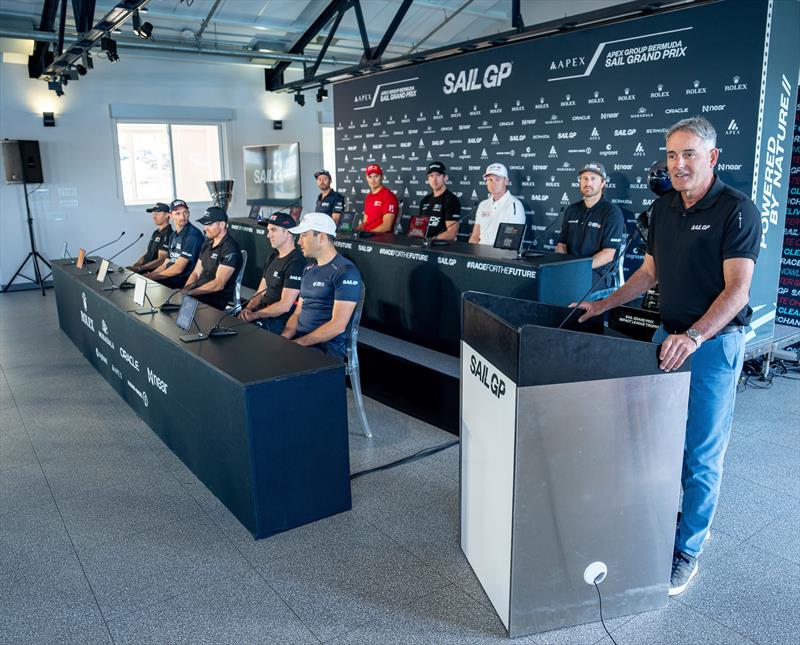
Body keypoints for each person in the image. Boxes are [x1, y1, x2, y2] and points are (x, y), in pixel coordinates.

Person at [574, 116, 760, 596]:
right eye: (672, 155)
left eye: (690, 154)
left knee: (700, 454)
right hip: (667, 337)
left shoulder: (737, 210)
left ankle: (690, 548)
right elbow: (647, 275)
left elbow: (738, 292)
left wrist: (695, 336)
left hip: (713, 345)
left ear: (713, 157)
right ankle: (657, 522)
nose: (678, 164)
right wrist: (603, 303)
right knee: (654, 441)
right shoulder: (663, 210)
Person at [281, 213, 362, 359]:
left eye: (304, 235)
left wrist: (298, 343)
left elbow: (337, 325)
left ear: (321, 237)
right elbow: (298, 313)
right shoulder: (308, 268)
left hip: (327, 348)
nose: (299, 241)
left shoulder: (346, 271)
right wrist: (284, 338)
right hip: (301, 341)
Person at [555, 162, 626, 300]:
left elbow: (608, 253)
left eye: (593, 179)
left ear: (603, 183)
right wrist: (563, 266)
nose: (588, 183)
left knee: (573, 293)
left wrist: (579, 269)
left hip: (597, 274)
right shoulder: (571, 210)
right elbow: (561, 244)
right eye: (584, 178)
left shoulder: (612, 212)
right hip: (570, 270)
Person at [238, 212, 306, 333]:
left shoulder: (296, 262)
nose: (268, 235)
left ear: (288, 232)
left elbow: (285, 305)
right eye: (268, 230)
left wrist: (255, 315)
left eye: (273, 230)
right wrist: (247, 309)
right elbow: (260, 292)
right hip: (261, 313)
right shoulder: (272, 257)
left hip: (278, 320)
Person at [181, 206, 243, 310]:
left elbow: (218, 284)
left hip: (214, 299)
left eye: (209, 224)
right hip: (198, 293)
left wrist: (191, 293)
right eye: (205, 225)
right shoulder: (207, 242)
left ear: (222, 224)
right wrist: (184, 290)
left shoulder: (230, 248)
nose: (205, 228)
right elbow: (196, 272)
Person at [144, 199, 204, 289]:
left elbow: (178, 268)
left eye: (185, 213)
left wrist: (153, 277)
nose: (183, 217)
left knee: (148, 286)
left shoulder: (193, 235)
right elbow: (166, 263)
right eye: (178, 213)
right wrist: (151, 274)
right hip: (170, 277)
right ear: (171, 215)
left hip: (182, 280)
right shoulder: (173, 235)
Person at [468, 163, 525, 245]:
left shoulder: (515, 205)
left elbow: (511, 241)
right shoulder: (483, 204)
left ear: (506, 181)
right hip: (479, 253)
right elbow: (475, 236)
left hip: (500, 256)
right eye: (490, 180)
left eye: (497, 179)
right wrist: (473, 254)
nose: (493, 183)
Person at [419, 161, 461, 241]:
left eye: (437, 175)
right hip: (424, 246)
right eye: (431, 176)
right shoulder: (424, 200)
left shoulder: (452, 200)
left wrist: (430, 240)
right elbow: (421, 228)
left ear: (445, 178)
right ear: (428, 179)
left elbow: (451, 233)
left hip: (442, 248)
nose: (434, 179)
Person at [128, 202, 174, 274]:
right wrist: (134, 266)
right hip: (142, 269)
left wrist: (139, 268)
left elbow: (162, 260)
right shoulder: (156, 232)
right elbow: (147, 253)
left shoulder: (168, 234)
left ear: (167, 215)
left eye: (157, 214)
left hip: (151, 273)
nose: (154, 217)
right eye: (153, 214)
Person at [357, 163, 398, 234]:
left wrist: (367, 233)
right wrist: (357, 230)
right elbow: (364, 222)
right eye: (370, 177)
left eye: (376, 176)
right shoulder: (368, 197)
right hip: (366, 238)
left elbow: (387, 226)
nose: (373, 180)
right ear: (366, 178)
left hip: (380, 240)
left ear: (382, 177)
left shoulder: (388, 196)